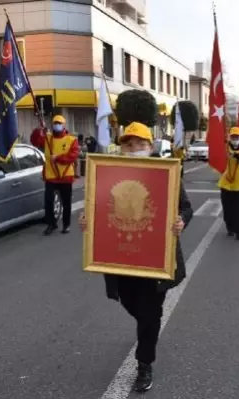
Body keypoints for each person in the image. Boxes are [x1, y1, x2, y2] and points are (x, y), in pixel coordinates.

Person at [79, 121, 193, 393]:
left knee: (151, 313)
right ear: (121, 148)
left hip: (158, 261)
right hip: (123, 261)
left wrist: (181, 221)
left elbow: (186, 207)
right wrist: (88, 222)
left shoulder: (167, 173)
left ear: (150, 146)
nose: (134, 149)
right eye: (128, 145)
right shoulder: (108, 172)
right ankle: (146, 330)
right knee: (133, 305)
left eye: (140, 144)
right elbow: (99, 208)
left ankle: (144, 364)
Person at [30, 115, 79, 235]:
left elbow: (72, 157)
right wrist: (38, 130)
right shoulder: (47, 138)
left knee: (66, 203)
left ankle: (66, 225)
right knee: (48, 201)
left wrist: (57, 157)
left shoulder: (71, 140)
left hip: (65, 177)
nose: (57, 125)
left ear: (64, 125)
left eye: (59, 123)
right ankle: (51, 224)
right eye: (55, 123)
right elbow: (35, 141)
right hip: (51, 176)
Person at [219, 126, 239, 240]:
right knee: (227, 208)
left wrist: (236, 155)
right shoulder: (224, 148)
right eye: (233, 136)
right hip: (226, 183)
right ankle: (230, 227)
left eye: (237, 136)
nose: (234, 138)